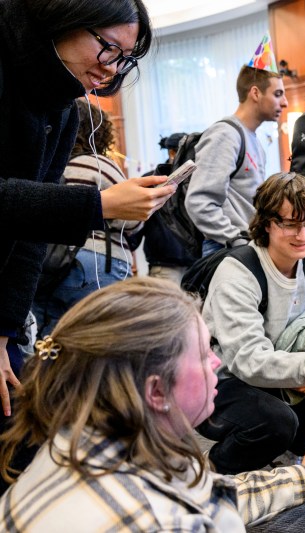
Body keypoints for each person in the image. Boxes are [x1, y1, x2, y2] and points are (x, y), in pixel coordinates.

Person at [0, 277, 305, 530]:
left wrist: (302, 475)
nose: (214, 362)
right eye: (201, 352)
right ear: (157, 392)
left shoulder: (80, 446)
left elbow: (206, 492)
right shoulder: (167, 518)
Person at [0, 0, 174, 419]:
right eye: (108, 48)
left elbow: (29, 239)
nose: (112, 69)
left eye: (124, 59)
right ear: (66, 18)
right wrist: (98, 204)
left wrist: (3, 332)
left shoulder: (62, 110)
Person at [197, 172, 305, 475]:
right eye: (290, 224)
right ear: (266, 223)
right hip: (218, 383)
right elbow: (246, 360)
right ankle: (211, 472)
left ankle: (285, 449)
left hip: (281, 379)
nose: (303, 235)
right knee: (274, 422)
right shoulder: (238, 273)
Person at [31, 99, 143, 337]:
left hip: (48, 268)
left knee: (51, 345)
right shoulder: (100, 165)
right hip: (97, 263)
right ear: (98, 131)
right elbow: (132, 220)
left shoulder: (47, 168)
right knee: (102, 343)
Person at [185, 60, 288, 256]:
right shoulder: (225, 135)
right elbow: (199, 201)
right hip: (226, 249)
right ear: (255, 93)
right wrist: (236, 240)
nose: (285, 102)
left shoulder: (255, 141)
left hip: (245, 247)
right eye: (277, 94)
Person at [142, 132, 197, 285]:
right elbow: (139, 219)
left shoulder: (197, 181)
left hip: (194, 265)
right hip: (164, 265)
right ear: (172, 152)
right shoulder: (151, 180)